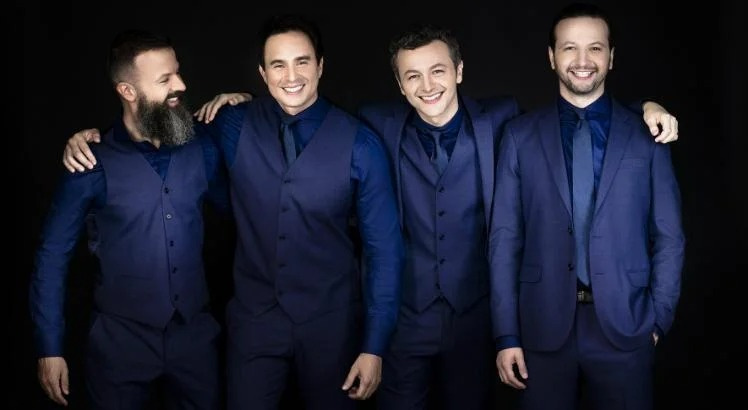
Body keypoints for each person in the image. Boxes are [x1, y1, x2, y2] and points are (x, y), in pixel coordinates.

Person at [193, 24, 679, 410]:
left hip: (475, 317)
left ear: (460, 71)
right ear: (399, 85)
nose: (428, 86)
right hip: (406, 318)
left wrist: (644, 109)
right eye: (412, 76)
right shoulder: (374, 126)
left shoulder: (502, 121)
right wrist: (241, 101)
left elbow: (579, 111)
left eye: (438, 71)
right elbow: (299, 112)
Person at [61, 14, 404, 410]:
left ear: (321, 66)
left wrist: (374, 346)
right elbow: (157, 132)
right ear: (262, 73)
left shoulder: (361, 144)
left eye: (302, 62)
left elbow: (384, 251)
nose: (291, 76)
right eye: (278, 65)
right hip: (253, 324)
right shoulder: (231, 124)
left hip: (332, 324)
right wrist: (93, 139)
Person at [491, 3, 685, 410]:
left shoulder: (648, 135)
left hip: (626, 325)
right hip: (541, 327)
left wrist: (657, 319)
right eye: (569, 48)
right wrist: (506, 334)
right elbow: (505, 240)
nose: (582, 61)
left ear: (611, 57)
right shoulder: (519, 136)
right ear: (551, 57)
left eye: (595, 48)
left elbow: (669, 236)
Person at [29, 29, 228, 409]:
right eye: (165, 79)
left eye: (178, 72)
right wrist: (49, 347)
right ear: (127, 91)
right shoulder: (89, 163)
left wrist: (243, 101)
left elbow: (246, 212)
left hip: (195, 339)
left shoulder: (204, 146)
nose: (181, 85)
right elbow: (52, 257)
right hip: (119, 344)